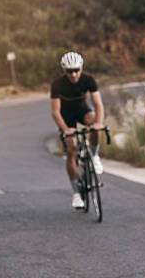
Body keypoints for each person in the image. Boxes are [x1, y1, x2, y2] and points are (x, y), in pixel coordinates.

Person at [50, 51, 105, 209]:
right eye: (69, 71)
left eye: (76, 70)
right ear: (64, 70)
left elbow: (98, 104)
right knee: (71, 150)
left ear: (81, 68)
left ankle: (94, 156)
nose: (73, 74)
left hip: (82, 111)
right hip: (65, 117)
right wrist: (66, 129)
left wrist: (99, 124)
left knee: (94, 123)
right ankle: (76, 194)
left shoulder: (88, 79)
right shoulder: (57, 84)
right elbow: (55, 111)